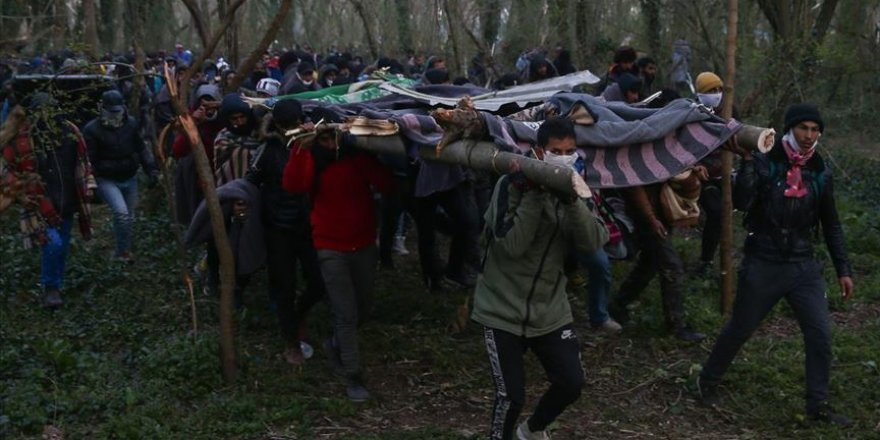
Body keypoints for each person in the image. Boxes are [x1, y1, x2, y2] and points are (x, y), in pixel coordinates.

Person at [698, 103, 854, 425]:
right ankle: (707, 381)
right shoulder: (765, 160)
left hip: (803, 265)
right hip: (764, 261)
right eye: (803, 128)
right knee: (740, 328)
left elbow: (831, 223)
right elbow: (741, 202)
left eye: (815, 130)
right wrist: (747, 161)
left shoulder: (820, 171)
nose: (809, 136)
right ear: (789, 129)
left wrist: (844, 269)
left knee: (820, 335)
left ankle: (818, 405)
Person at [471, 117, 609, 440]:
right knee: (511, 397)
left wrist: (571, 201)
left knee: (571, 382)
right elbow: (512, 246)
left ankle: (531, 431)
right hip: (501, 307)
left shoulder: (578, 187)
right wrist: (534, 193)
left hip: (549, 309)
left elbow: (593, 243)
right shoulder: (510, 186)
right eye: (556, 151)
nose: (564, 157)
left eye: (570, 150)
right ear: (538, 151)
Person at [282, 108, 394, 402]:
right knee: (345, 313)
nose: (330, 144)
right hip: (330, 247)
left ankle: (336, 344)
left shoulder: (356, 158)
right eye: (324, 138)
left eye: (334, 137)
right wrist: (301, 149)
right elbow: (293, 185)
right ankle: (353, 375)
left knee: (363, 308)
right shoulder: (311, 160)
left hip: (364, 244)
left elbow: (386, 183)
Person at [247, 99, 326, 365]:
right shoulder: (269, 149)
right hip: (278, 227)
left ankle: (298, 314)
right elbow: (250, 180)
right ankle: (291, 340)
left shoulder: (312, 142)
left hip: (306, 224)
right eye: (288, 125)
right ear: (279, 126)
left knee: (318, 281)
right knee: (284, 285)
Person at [1, 94, 96, 307]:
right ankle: (50, 288)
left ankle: (56, 285)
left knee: (61, 246)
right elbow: (8, 167)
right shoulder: (24, 139)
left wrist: (87, 186)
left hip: (68, 201)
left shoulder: (70, 133)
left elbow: (82, 162)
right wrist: (20, 190)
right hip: (40, 204)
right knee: (53, 244)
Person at [83, 89, 159, 262]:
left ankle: (122, 249)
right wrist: (92, 183)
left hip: (130, 176)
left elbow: (141, 149)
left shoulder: (131, 124)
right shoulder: (92, 130)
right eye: (112, 112)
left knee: (129, 217)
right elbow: (89, 161)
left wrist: (151, 170)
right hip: (107, 179)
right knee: (121, 213)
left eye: (118, 112)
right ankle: (122, 253)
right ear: (103, 109)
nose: (116, 116)